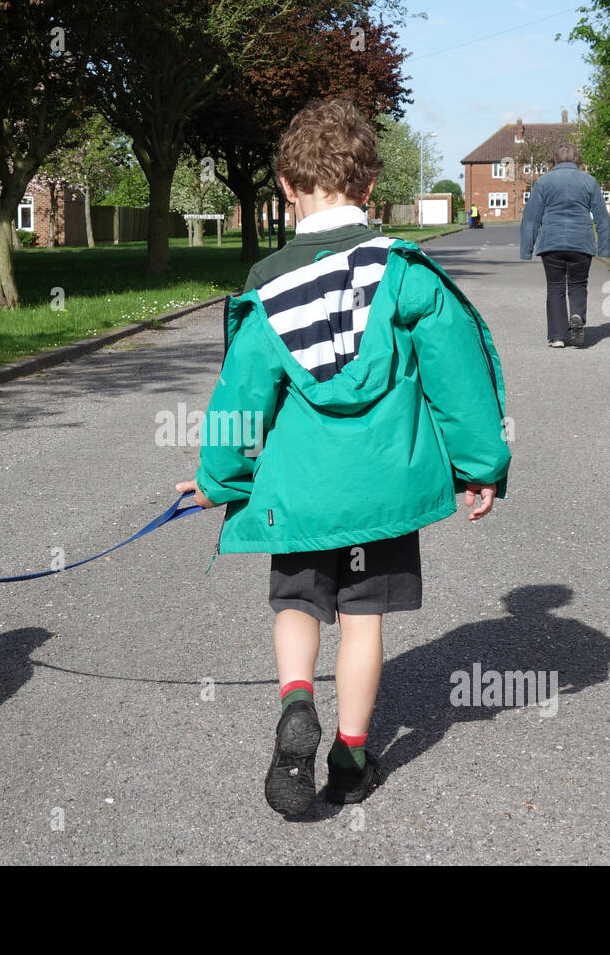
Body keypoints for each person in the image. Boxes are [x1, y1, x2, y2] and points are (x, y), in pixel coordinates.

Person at [175, 98, 511, 817]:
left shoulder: (266, 288)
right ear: (368, 190)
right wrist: (480, 464)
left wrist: (218, 480)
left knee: (297, 604)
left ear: (287, 188)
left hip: (300, 495)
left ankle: (297, 701)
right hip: (382, 493)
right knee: (363, 621)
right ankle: (352, 757)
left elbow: (242, 400)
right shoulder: (406, 276)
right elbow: (460, 383)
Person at [519, 143, 610, 347]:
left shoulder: (543, 182)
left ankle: (557, 336)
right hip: (581, 241)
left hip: (551, 242)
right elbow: (602, 217)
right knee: (578, 284)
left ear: (554, 160)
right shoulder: (589, 181)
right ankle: (577, 315)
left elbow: (531, 218)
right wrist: (604, 249)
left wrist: (526, 249)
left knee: (555, 287)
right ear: (577, 159)